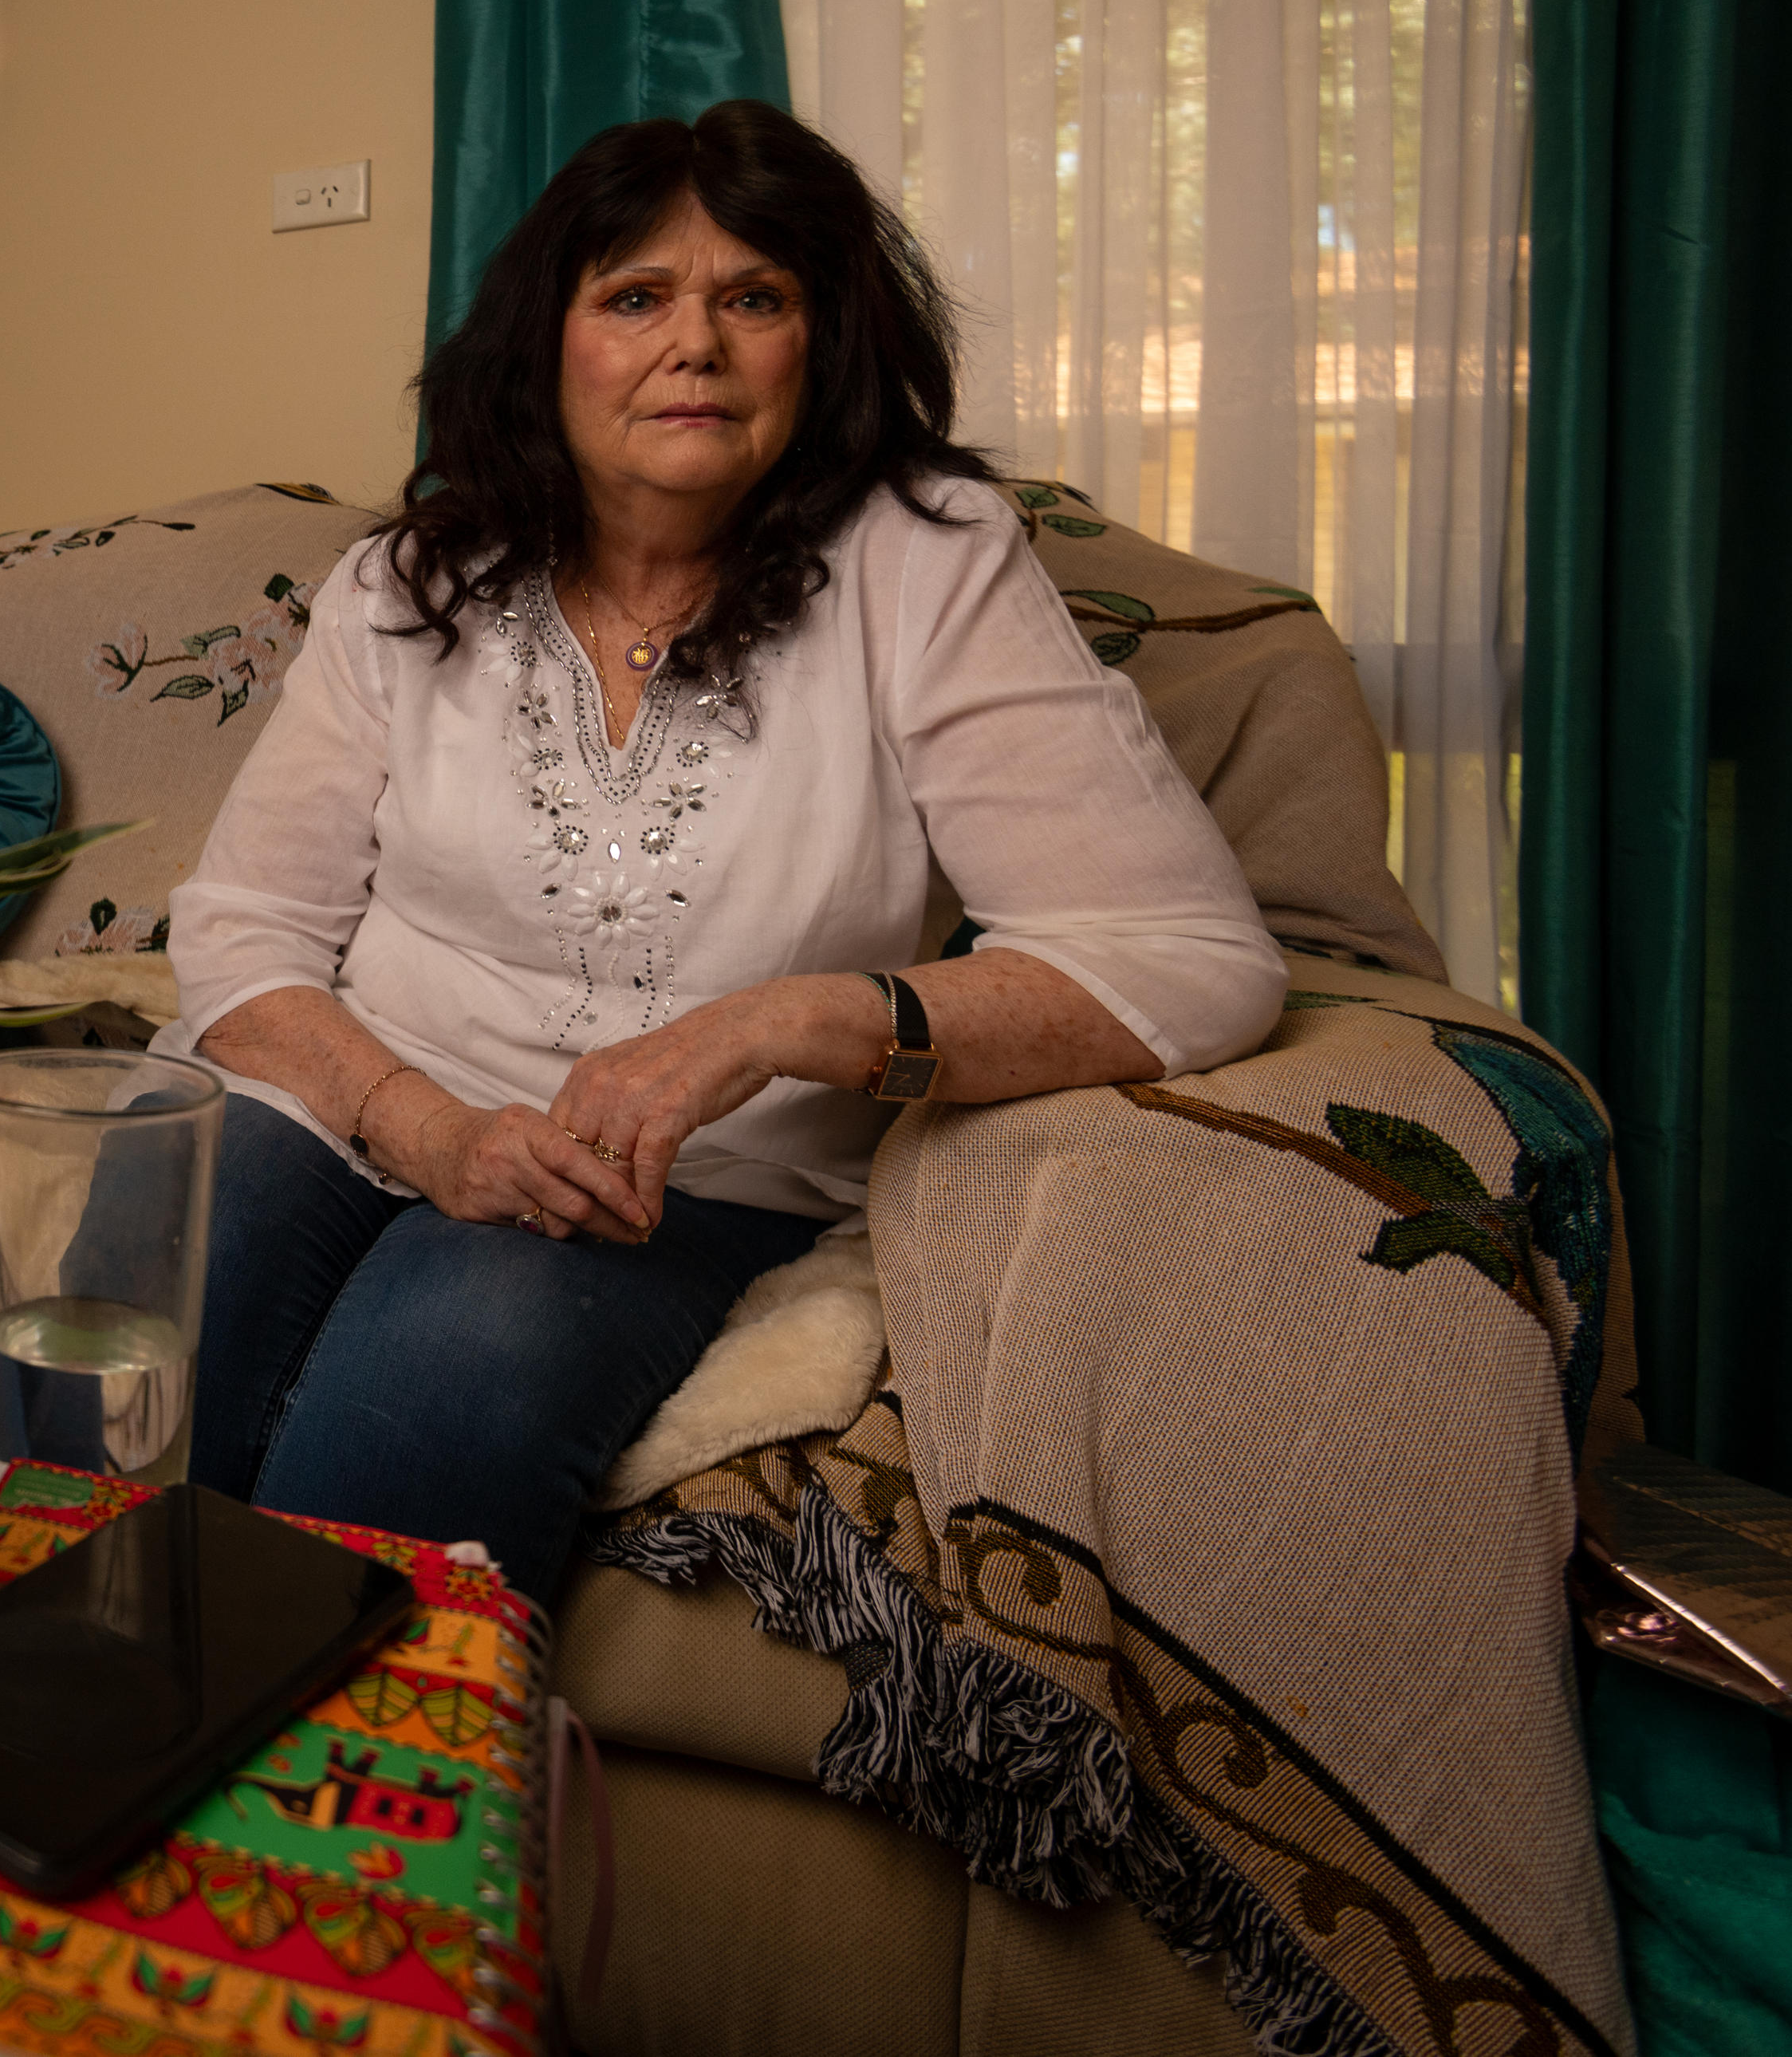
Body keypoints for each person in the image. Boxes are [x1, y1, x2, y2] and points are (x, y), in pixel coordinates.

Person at [163, 100, 1281, 1607]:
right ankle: (64, 1723)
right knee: (150, 1282)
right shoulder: (406, 582)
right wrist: (420, 1125)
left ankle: (322, 1768)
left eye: (754, 298)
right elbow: (241, 926)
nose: (695, 342)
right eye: (635, 297)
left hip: (681, 1176)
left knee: (441, 1380)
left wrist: (782, 1022)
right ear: (546, 344)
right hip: (351, 1090)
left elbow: (1188, 960)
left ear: (821, 346)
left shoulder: (924, 561)